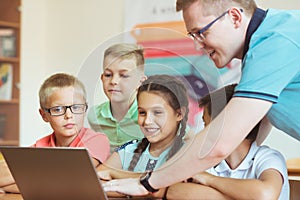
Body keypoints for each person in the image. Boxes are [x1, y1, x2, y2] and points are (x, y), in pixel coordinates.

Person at [103, 0, 300, 196]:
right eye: (192, 35)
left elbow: (221, 141)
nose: (197, 45)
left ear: (234, 17)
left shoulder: (275, 41)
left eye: (201, 32)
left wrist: (146, 184)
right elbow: (257, 120)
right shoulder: (264, 44)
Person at [166, 84, 289, 200]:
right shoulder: (208, 162)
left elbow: (265, 194)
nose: (203, 133)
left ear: (226, 126)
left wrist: (209, 179)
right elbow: (174, 192)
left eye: (206, 124)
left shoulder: (268, 158)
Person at [0, 73, 110, 193]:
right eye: (58, 109)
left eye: (76, 107)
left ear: (85, 109)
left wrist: (9, 186)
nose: (69, 115)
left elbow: (69, 176)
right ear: (44, 115)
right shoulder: (40, 146)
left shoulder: (97, 141)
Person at [97, 75, 189, 181]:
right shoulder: (128, 150)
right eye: (142, 112)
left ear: (179, 114)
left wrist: (114, 173)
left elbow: (164, 188)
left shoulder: (188, 155)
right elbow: (95, 179)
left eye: (157, 112)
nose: (147, 121)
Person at [88, 43, 147, 153]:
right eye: (108, 75)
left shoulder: (151, 116)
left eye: (124, 75)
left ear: (141, 81)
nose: (114, 81)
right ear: (102, 78)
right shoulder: (94, 116)